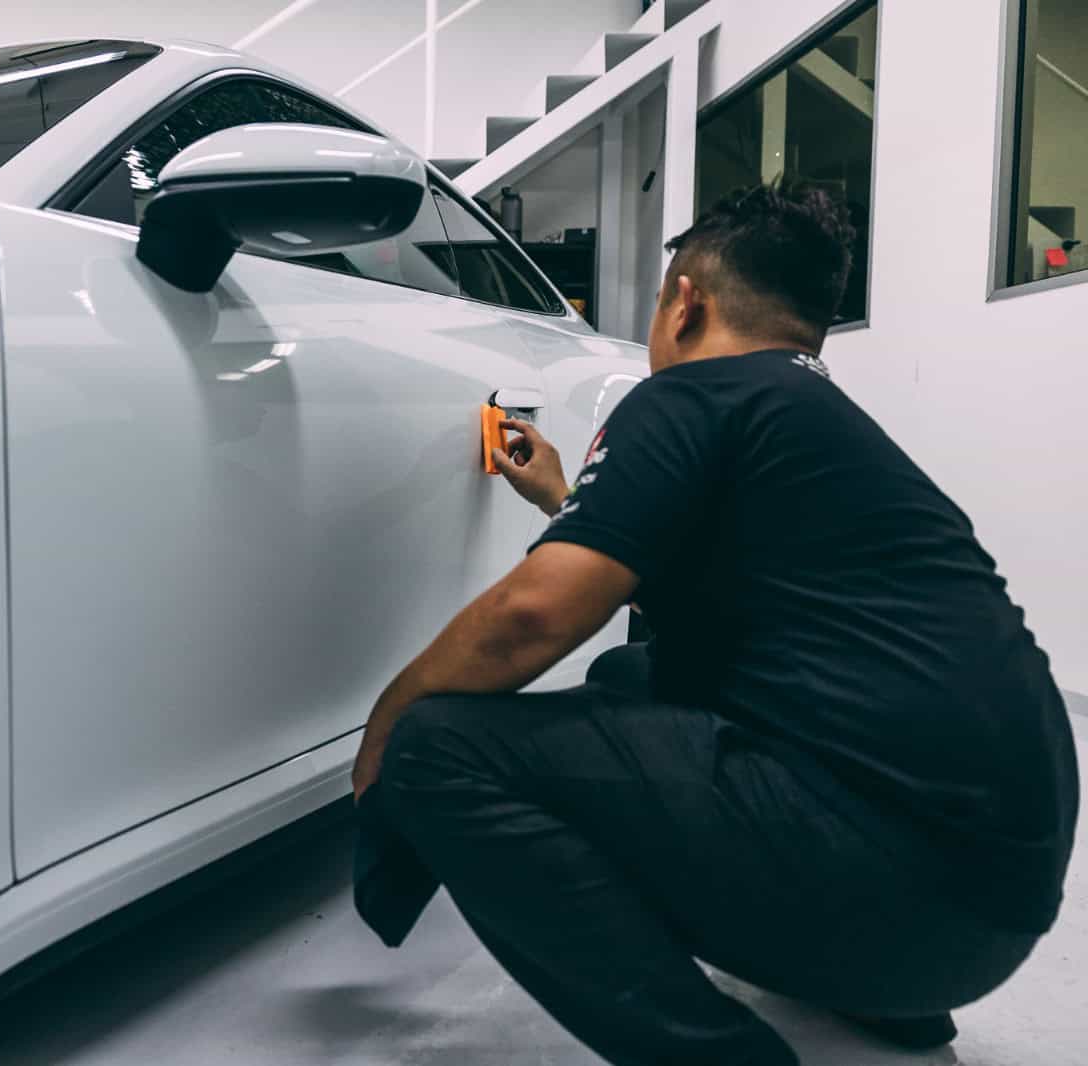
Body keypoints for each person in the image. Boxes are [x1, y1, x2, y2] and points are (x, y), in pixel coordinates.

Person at [350, 183, 1079, 1066]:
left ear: (683, 301)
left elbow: (532, 618)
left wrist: (387, 720)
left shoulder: (690, 396)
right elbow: (720, 586)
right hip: (987, 919)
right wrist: (562, 499)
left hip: (892, 888)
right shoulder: (810, 419)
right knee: (632, 676)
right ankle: (885, 1007)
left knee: (438, 744)